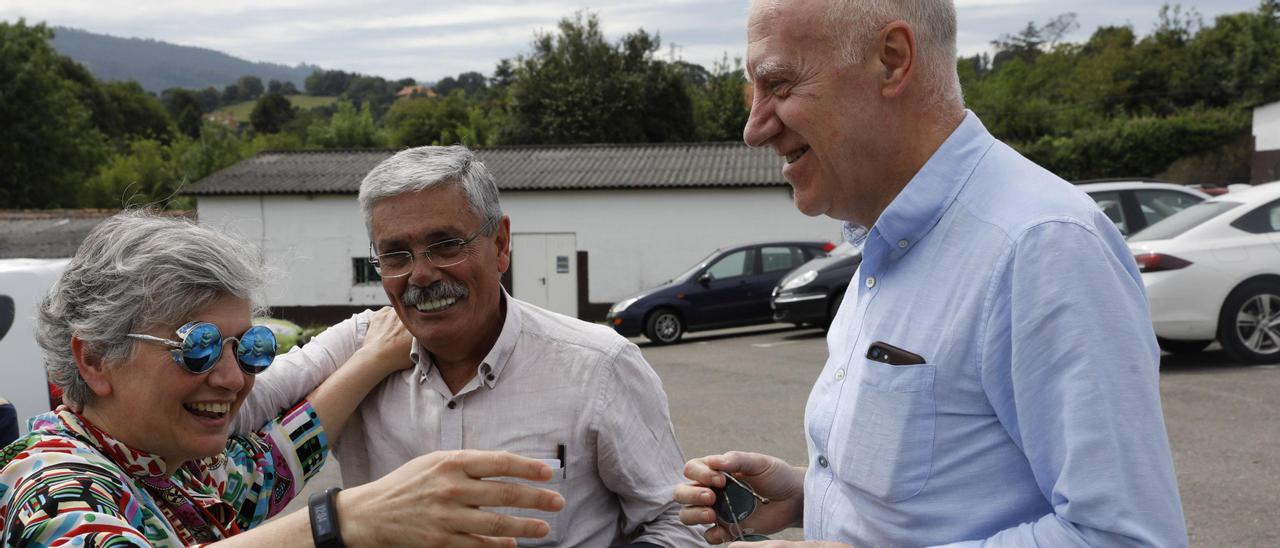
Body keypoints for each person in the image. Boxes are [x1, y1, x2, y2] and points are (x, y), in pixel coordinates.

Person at [674, 0, 1188, 546]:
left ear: (893, 60)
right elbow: (948, 495)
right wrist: (806, 495)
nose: (754, 128)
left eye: (777, 85)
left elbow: (1128, 538)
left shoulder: (1043, 245)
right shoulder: (887, 241)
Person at [0, 210, 565, 547]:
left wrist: (372, 358)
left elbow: (273, 465)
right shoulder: (50, 482)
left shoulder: (177, 468)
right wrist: (342, 520)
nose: (232, 377)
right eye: (195, 348)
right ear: (96, 359)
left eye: (250, 347)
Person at [235, 145, 701, 547]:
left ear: (500, 244)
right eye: (396, 254)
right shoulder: (360, 345)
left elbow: (678, 519)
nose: (420, 274)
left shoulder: (598, 366)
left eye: (445, 245)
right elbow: (233, 407)